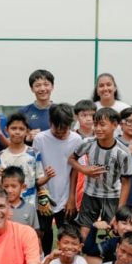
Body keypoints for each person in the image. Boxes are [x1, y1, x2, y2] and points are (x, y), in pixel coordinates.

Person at [73, 108, 132, 252]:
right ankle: (84, 262)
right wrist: (84, 169)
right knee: (84, 236)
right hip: (90, 194)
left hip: (112, 196)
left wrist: (119, 212)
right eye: (96, 124)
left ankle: (109, 263)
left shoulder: (123, 152)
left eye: (102, 124)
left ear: (115, 125)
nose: (98, 128)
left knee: (112, 235)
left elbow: (126, 183)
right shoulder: (88, 143)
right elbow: (71, 159)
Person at [31, 103, 83, 252]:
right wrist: (41, 194)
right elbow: (36, 168)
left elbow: (74, 170)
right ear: (50, 122)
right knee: (44, 233)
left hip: (65, 196)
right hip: (44, 196)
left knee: (67, 234)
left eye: (64, 129)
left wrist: (71, 198)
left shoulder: (76, 140)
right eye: (56, 129)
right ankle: (46, 261)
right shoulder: (40, 139)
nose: (60, 133)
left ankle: (67, 262)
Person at [0, 113, 47, 204]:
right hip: (8, 204)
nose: (17, 132)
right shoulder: (1, 155)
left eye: (21, 129)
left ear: (27, 131)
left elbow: (38, 181)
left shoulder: (34, 153)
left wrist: (48, 177)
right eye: (13, 128)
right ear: (6, 130)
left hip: (30, 204)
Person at [0, 167, 40, 234]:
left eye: (13, 186)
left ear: (23, 187)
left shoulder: (30, 208)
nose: (9, 190)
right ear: (1, 187)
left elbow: (35, 233)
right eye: (6, 186)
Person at [23, 69, 55, 139]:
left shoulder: (61, 111)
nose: (42, 89)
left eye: (46, 84)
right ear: (32, 89)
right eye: (38, 85)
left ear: (52, 87)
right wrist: (27, 137)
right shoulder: (23, 112)